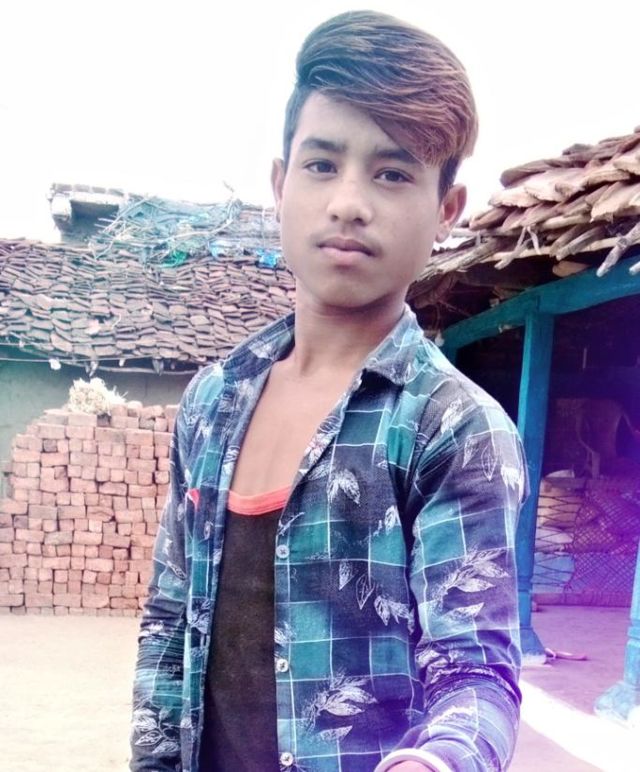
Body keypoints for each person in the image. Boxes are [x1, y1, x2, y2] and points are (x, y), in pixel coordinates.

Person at [130, 10, 526, 772]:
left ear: (446, 210)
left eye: (392, 173)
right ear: (280, 185)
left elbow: (476, 674)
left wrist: (439, 761)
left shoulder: (452, 429)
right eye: (321, 165)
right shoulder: (214, 401)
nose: (349, 202)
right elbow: (169, 624)